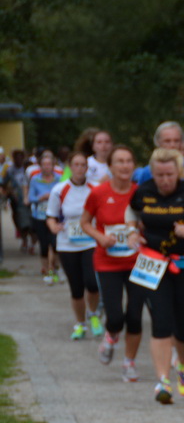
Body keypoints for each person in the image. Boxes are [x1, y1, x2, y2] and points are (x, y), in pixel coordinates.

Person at [128, 147, 184, 405]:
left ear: (178, 172)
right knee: (160, 320)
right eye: (159, 175)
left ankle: (182, 364)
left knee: (183, 325)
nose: (164, 180)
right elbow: (132, 211)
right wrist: (131, 231)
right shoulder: (144, 190)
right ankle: (162, 381)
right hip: (153, 262)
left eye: (169, 174)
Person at [83, 145, 147, 379]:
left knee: (135, 316)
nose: (125, 166)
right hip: (107, 262)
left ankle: (129, 362)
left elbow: (150, 222)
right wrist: (100, 237)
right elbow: (85, 222)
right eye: (119, 161)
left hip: (137, 262)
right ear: (109, 166)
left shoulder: (142, 192)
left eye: (129, 161)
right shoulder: (98, 193)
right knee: (116, 316)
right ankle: (111, 336)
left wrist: (141, 233)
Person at [46, 153, 102, 338]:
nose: (79, 168)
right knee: (76, 288)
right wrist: (53, 226)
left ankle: (93, 314)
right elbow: (51, 216)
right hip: (67, 244)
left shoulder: (95, 189)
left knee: (92, 284)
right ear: (70, 167)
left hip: (90, 242)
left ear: (87, 168)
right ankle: (80, 324)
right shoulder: (59, 190)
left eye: (83, 165)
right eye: (76, 165)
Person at [28, 149, 61, 281]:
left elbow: (63, 196)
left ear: (53, 165)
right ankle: (47, 270)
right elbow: (31, 198)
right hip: (40, 217)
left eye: (49, 164)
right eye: (44, 164)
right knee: (43, 244)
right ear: (40, 166)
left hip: (54, 217)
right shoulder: (35, 180)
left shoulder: (59, 180)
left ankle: (54, 267)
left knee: (55, 243)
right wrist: (41, 197)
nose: (47, 167)